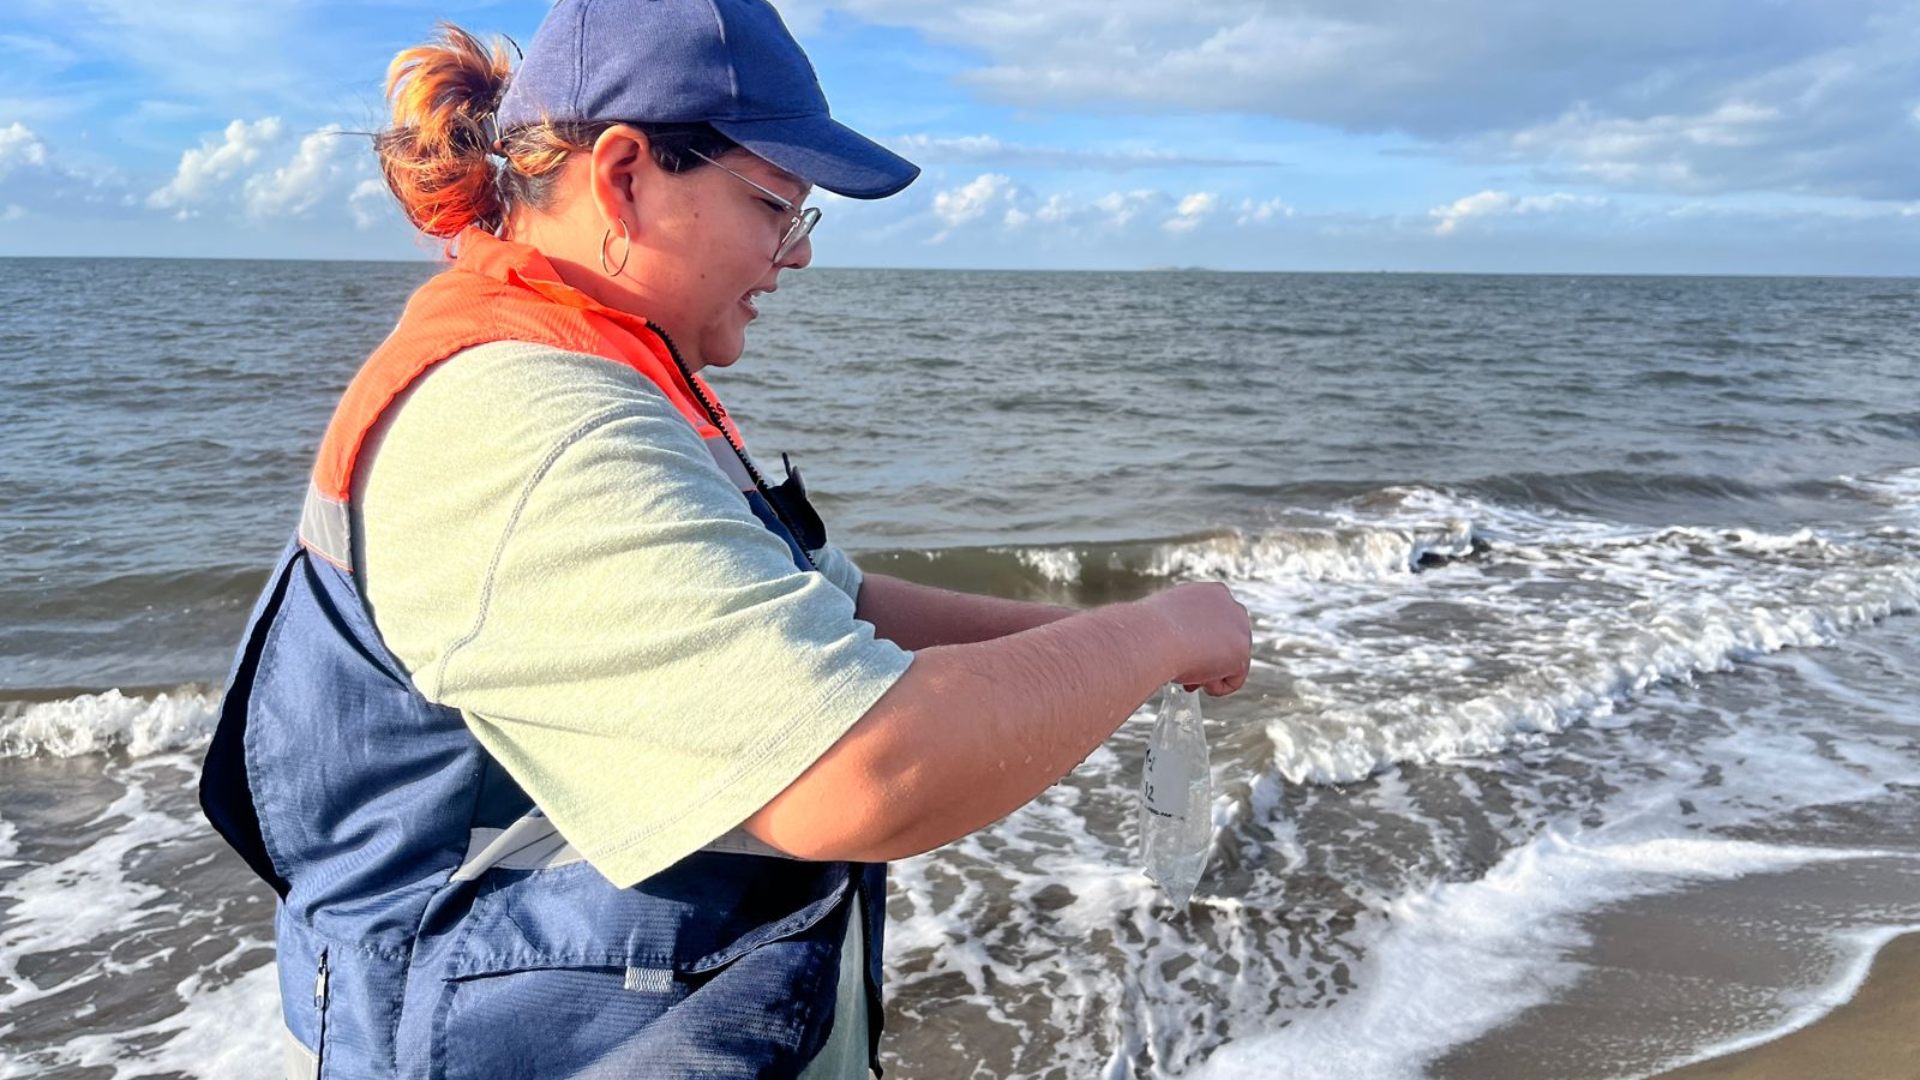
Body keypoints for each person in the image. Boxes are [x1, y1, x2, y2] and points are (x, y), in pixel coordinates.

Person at [198, 1, 1251, 1077]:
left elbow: (839, 602)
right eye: (776, 208)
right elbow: (861, 771)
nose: (795, 257)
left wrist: (1109, 638)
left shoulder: (614, 371)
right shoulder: (528, 421)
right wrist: (1159, 636)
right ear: (622, 177)